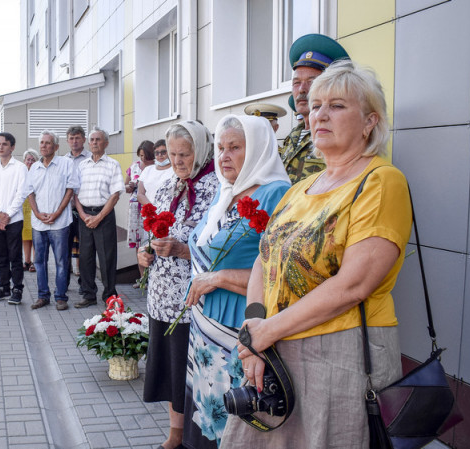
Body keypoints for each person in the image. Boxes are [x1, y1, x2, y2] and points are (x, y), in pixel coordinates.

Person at [220, 61, 412, 448]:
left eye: (337, 106)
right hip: (275, 348)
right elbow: (264, 259)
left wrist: (266, 334)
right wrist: (255, 336)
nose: (319, 113)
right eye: (316, 104)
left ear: (369, 122)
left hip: (339, 354)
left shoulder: (381, 180)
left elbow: (353, 285)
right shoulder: (299, 189)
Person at [183, 115, 291, 448]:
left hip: (240, 331)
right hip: (204, 325)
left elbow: (283, 278)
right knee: (207, 418)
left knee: (233, 426)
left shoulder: (277, 196)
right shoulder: (224, 192)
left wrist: (219, 277)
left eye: (235, 147)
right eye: (220, 148)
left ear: (258, 149)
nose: (224, 156)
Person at [136, 121, 218, 449]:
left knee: (186, 369)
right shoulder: (170, 182)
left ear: (200, 150)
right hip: (162, 295)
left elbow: (214, 242)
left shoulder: (214, 186)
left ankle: (188, 435)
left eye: (185, 154)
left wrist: (182, 250)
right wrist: (146, 252)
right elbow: (154, 226)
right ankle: (174, 432)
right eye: (172, 154)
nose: (178, 160)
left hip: (190, 296)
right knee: (170, 367)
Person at [280, 33, 349, 184]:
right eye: (296, 83)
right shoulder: (293, 136)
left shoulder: (334, 135)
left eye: (312, 81)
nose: (302, 89)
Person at [25, 130, 80, 311]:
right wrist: (38, 213)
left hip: (60, 222)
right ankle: (43, 296)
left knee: (61, 261)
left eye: (48, 143)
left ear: (56, 146)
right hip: (38, 223)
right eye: (42, 143)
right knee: (39, 261)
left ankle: (60, 297)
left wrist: (56, 213)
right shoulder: (34, 168)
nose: (44, 146)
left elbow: (70, 190)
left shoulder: (66, 164)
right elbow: (30, 193)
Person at [74, 127, 124, 308]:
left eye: (98, 140)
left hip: (104, 215)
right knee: (86, 257)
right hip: (84, 215)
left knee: (107, 257)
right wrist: (83, 215)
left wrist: (99, 217)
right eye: (92, 140)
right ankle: (88, 295)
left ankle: (109, 296)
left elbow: (115, 194)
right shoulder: (82, 165)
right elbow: (75, 194)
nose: (94, 143)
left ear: (106, 143)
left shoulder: (112, 165)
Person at [0, 132, 29, 305]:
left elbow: (22, 193)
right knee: (0, 256)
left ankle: (17, 289)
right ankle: (3, 287)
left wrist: (8, 214)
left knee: (15, 256)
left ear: (12, 147)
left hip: (14, 219)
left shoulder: (20, 167)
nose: (0, 147)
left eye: (4, 144)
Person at [126, 140, 154, 288]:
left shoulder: (157, 167)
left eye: (145, 155)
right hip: (135, 208)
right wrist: (129, 186)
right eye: (141, 155)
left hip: (149, 207)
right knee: (138, 243)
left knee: (149, 241)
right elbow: (125, 186)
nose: (143, 159)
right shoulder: (134, 167)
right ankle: (142, 278)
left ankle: (153, 278)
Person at [65, 126, 91, 279]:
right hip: (67, 210)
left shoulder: (89, 158)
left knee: (85, 248)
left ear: (83, 139)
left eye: (77, 138)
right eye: (71, 138)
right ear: (67, 141)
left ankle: (85, 282)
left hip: (85, 210)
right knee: (65, 247)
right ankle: (65, 281)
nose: (74, 141)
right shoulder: (63, 160)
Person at [137, 139, 174, 207]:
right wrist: (152, 208)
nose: (160, 155)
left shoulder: (176, 170)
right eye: (157, 153)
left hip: (168, 213)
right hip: (150, 212)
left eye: (163, 152)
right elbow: (140, 194)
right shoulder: (147, 170)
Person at [21, 149, 40, 273]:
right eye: (28, 159)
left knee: (34, 237)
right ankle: (26, 261)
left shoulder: (38, 173)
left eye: (33, 160)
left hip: (35, 206)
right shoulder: (21, 173)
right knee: (25, 236)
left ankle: (35, 261)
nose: (30, 162)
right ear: (24, 160)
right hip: (23, 207)